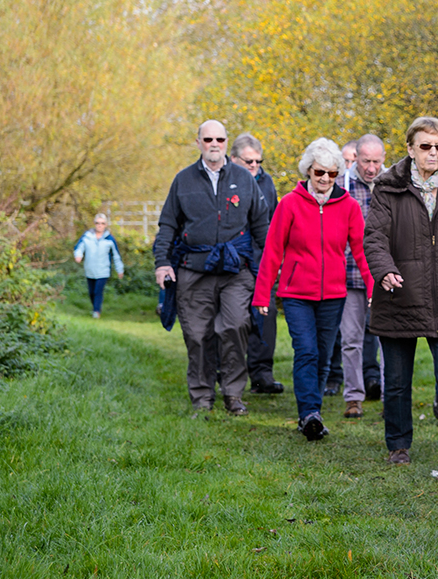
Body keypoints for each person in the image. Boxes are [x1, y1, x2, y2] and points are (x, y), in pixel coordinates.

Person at [365, 116, 438, 471]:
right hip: (399, 296)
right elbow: (374, 238)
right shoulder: (387, 187)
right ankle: (398, 446)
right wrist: (384, 271)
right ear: (411, 149)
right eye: (426, 146)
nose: (434, 153)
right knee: (397, 380)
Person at [253, 138, 373, 440]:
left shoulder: (348, 206)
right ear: (308, 170)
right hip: (296, 294)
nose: (325, 179)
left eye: (332, 174)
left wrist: (373, 287)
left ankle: (312, 414)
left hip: (333, 294)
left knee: (321, 355)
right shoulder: (290, 204)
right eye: (320, 172)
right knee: (305, 351)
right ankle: (308, 413)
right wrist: (262, 292)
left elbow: (361, 251)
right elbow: (273, 250)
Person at [154, 120, 270, 416]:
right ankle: (202, 397)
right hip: (194, 268)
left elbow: (261, 225)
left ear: (226, 142)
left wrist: (268, 269)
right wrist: (162, 263)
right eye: (208, 139)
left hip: (235, 270)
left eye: (219, 138)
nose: (214, 144)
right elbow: (168, 223)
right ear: (198, 143)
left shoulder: (244, 179)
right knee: (197, 334)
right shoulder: (183, 180)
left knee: (234, 326)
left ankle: (233, 394)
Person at [337, 134, 387, 418]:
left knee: (386, 339)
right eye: (366, 161)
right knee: (351, 339)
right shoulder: (342, 185)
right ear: (355, 158)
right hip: (351, 274)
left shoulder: (391, 182)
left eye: (376, 161)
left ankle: (388, 396)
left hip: (384, 274)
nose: (371, 167)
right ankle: (353, 397)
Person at [232, 132, 285, 395]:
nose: (254, 166)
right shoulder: (227, 181)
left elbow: (275, 222)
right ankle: (231, 372)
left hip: (264, 261)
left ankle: (262, 373)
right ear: (234, 159)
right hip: (234, 263)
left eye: (258, 161)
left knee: (266, 318)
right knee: (236, 320)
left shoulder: (267, 183)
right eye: (249, 161)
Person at [73, 213, 124, 318]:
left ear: (105, 225)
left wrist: (120, 269)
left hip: (103, 271)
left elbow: (116, 255)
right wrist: (78, 255)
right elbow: (79, 248)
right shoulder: (87, 236)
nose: (100, 225)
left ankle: (96, 311)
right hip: (90, 270)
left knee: (98, 291)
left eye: (102, 223)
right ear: (94, 224)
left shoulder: (109, 239)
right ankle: (96, 308)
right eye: (97, 223)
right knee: (91, 292)